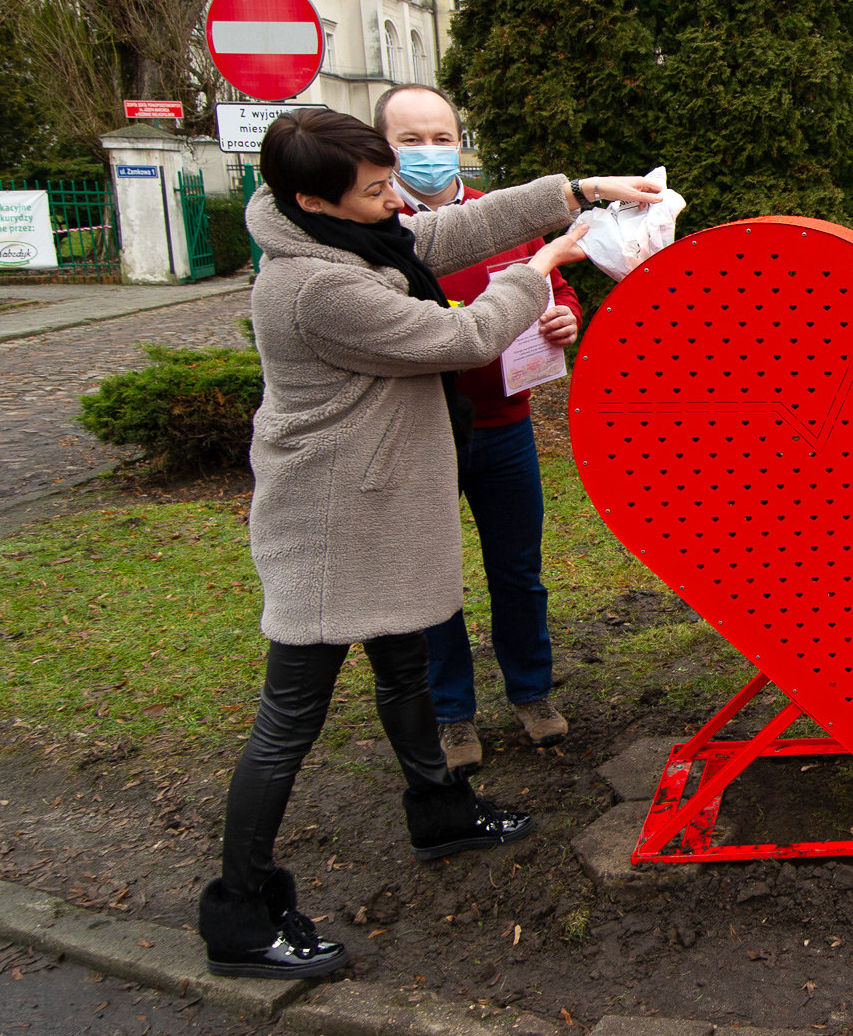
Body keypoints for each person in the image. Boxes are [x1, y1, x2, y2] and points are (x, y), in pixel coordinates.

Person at [198, 107, 661, 980]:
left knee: (406, 665)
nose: (394, 203)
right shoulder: (315, 285)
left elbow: (454, 224)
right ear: (313, 200)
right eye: (376, 190)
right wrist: (542, 267)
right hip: (332, 524)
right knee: (287, 721)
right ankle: (240, 912)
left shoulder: (351, 237)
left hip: (379, 504)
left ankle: (440, 808)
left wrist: (582, 191)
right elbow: (463, 335)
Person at [376, 84, 579, 771]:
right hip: (420, 433)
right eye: (410, 140)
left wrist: (563, 317)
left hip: (505, 424)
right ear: (383, 148)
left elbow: (554, 287)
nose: (429, 153)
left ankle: (531, 693)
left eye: (441, 137)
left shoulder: (505, 218)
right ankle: (452, 713)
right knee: (433, 580)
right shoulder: (375, 232)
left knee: (519, 572)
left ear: (462, 140)